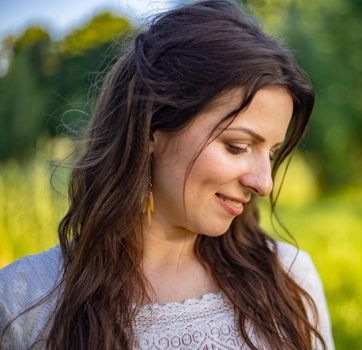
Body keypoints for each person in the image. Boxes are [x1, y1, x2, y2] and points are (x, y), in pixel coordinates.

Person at [0, 0, 334, 349]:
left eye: (272, 153)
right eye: (237, 146)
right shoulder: (23, 305)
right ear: (151, 129)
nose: (264, 183)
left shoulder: (290, 278)